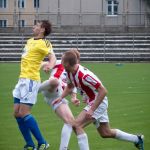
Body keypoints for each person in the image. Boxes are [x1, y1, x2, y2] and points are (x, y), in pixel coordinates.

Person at [52, 49, 144, 150]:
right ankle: (137, 139)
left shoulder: (84, 75)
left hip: (98, 102)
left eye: (62, 60)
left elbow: (103, 91)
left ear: (67, 63)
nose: (60, 62)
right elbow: (69, 86)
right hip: (94, 102)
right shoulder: (69, 72)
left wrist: (92, 109)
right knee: (105, 133)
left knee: (77, 125)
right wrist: (60, 98)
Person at [12, 20, 56, 150]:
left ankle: (42, 142)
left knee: (24, 113)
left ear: (42, 29)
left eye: (36, 25)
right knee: (16, 113)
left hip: (31, 80)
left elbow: (52, 56)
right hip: (22, 80)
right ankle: (30, 144)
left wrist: (50, 65)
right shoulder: (30, 40)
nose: (34, 27)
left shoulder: (45, 43)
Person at [39, 59, 80, 150]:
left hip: (58, 97)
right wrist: (46, 66)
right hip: (50, 90)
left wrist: (74, 99)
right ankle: (35, 90)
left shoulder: (75, 74)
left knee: (70, 122)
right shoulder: (60, 63)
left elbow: (73, 90)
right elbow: (44, 63)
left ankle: (63, 148)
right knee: (55, 82)